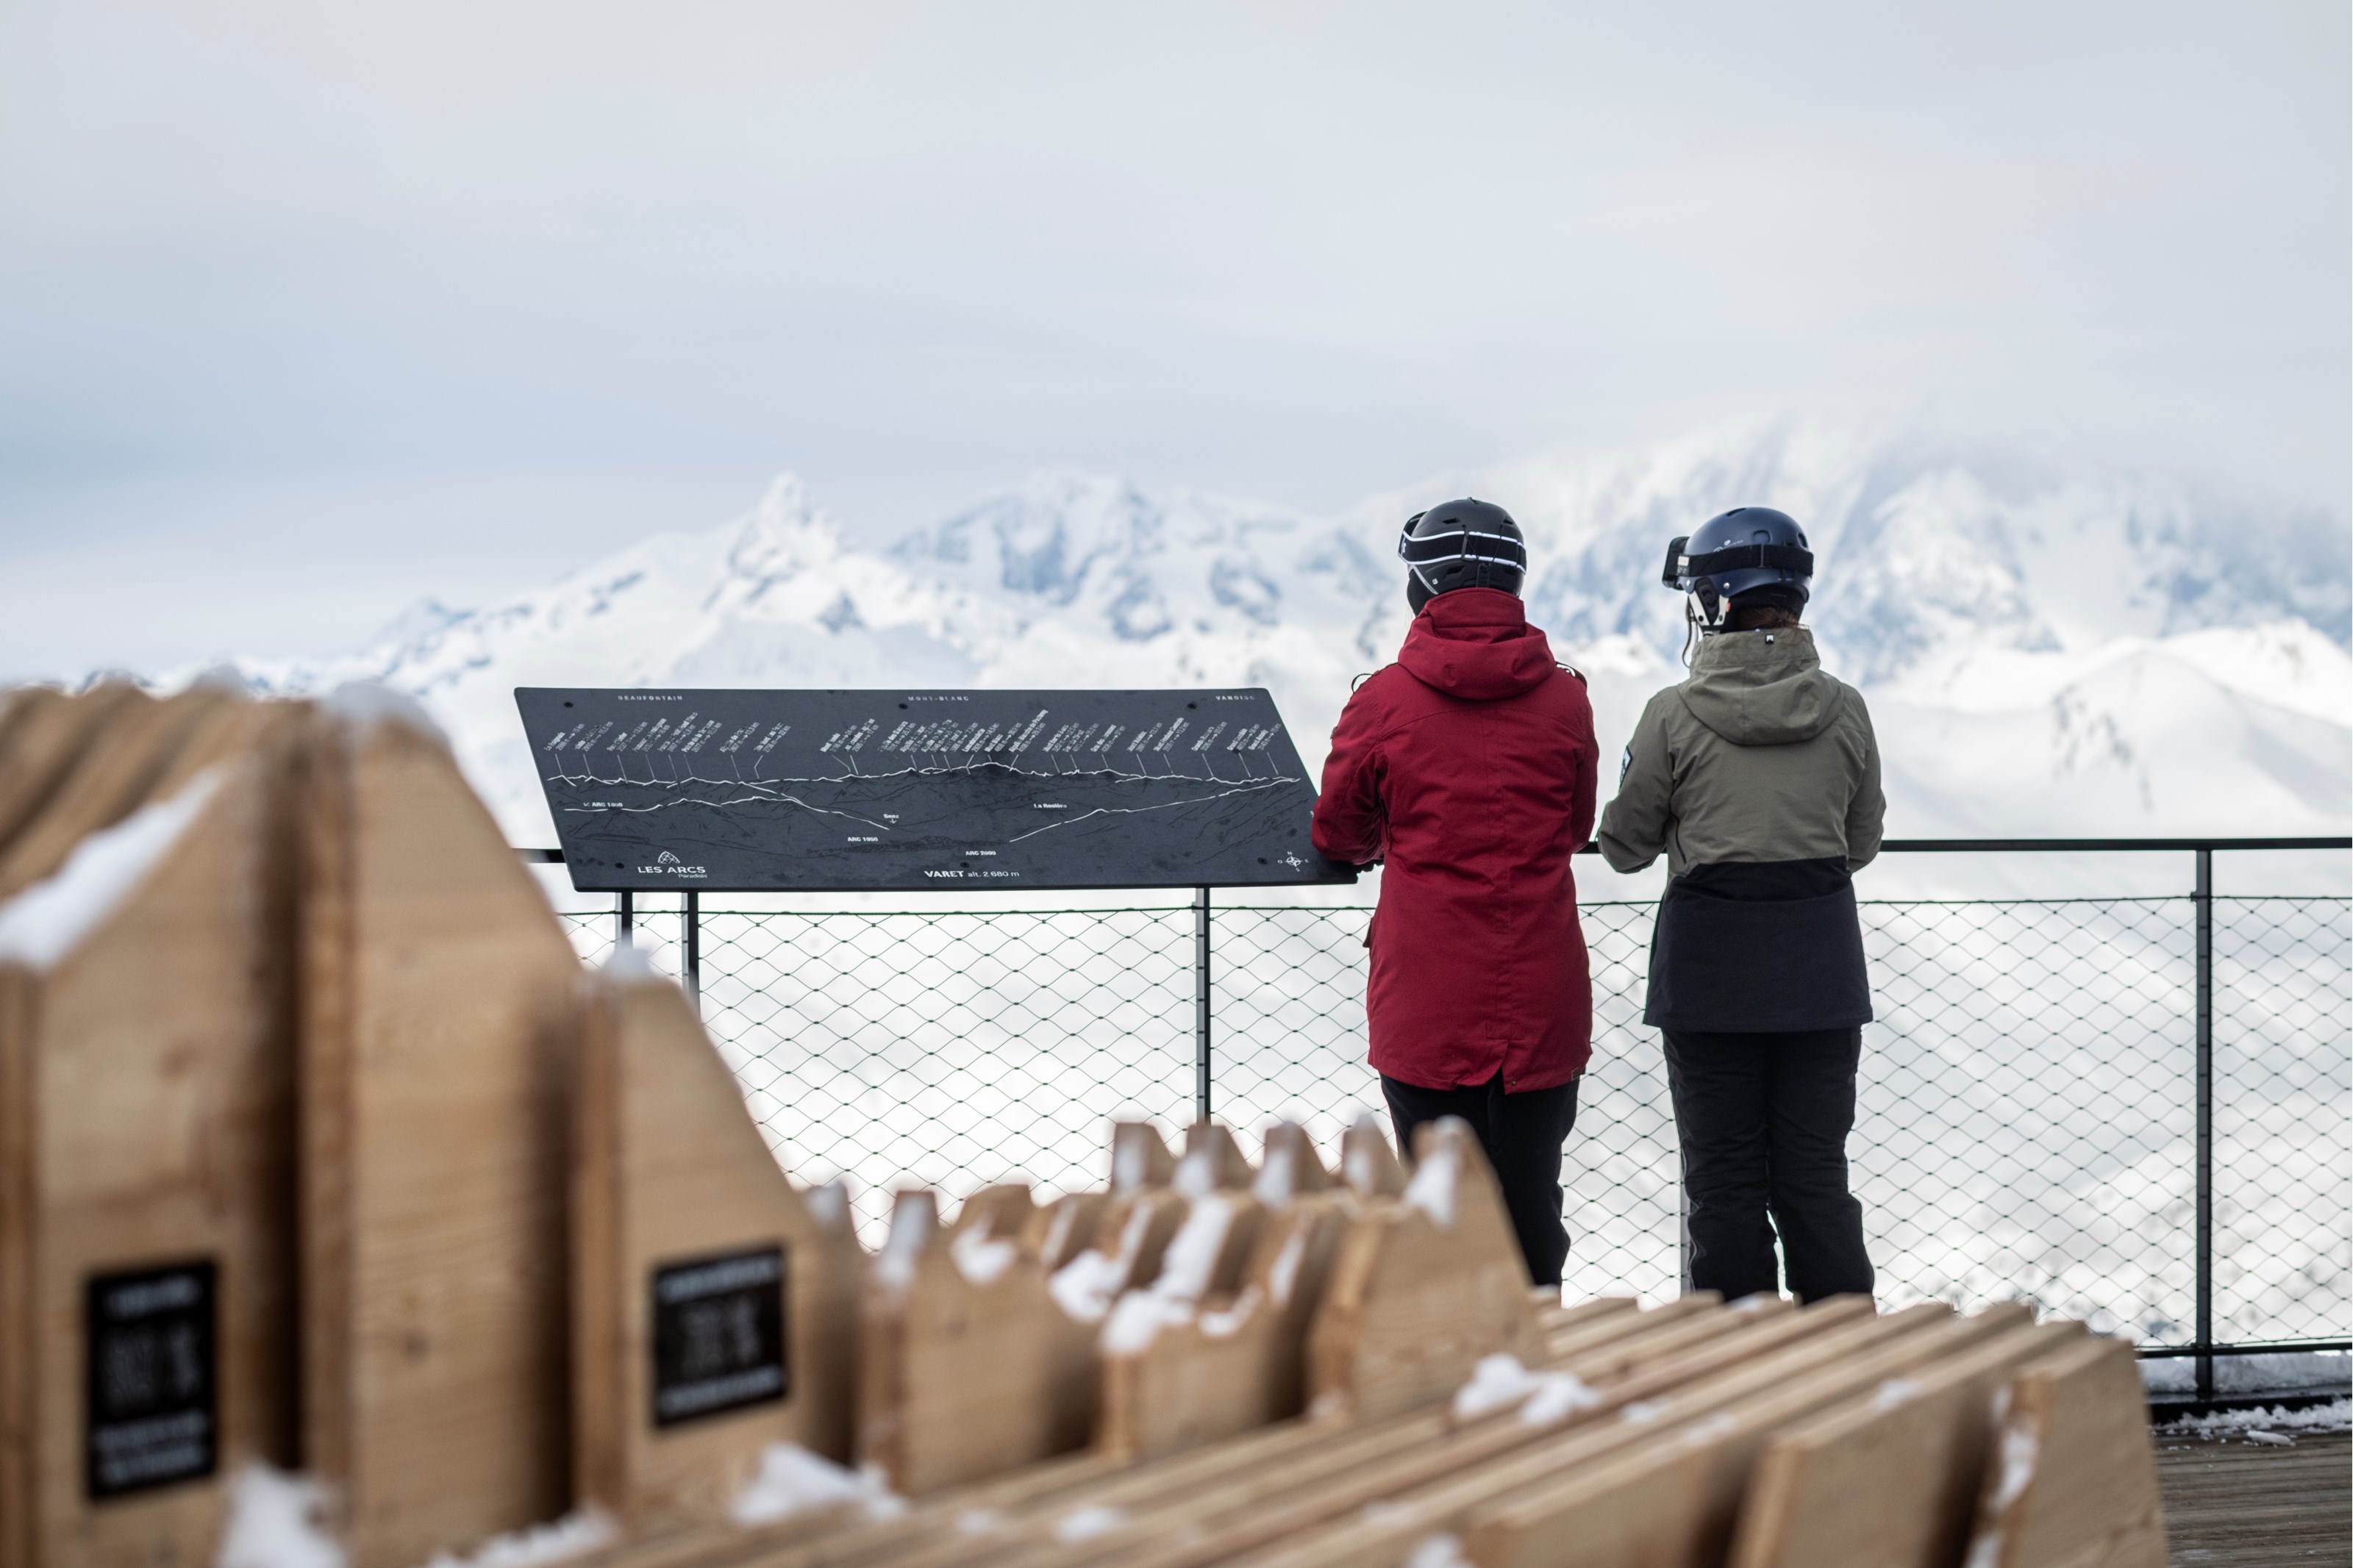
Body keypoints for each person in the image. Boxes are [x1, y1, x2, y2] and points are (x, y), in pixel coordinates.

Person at [1596, 505, 1884, 1303]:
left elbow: (1624, 846)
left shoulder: (1672, 713)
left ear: (1714, 602)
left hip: (1708, 972)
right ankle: (1845, 1349)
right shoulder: (1846, 707)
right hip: (1820, 968)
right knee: (1815, 1174)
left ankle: (1735, 1352)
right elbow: (1860, 840)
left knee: (1722, 1178)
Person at [1311, 498, 1599, 1288]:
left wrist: (1393, 835)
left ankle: (1447, 1345)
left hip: (1425, 990)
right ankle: (1537, 1334)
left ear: (1424, 587)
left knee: (1435, 1198)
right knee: (1530, 1193)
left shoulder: (1383, 701)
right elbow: (1575, 826)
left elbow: (1337, 832)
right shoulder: (1565, 699)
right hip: (1541, 986)